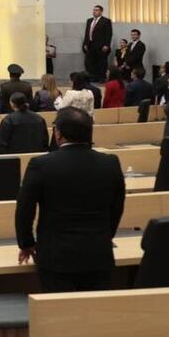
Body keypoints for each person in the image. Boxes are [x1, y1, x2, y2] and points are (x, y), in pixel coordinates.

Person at [15, 107, 125, 292]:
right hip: (98, 253)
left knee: (60, 315)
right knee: (95, 313)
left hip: (55, 255)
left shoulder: (41, 165)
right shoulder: (110, 163)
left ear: (58, 133)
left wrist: (26, 243)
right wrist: (106, 236)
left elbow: (25, 209)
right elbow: (117, 207)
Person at [82, 5, 113, 81]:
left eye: (96, 10)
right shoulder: (89, 20)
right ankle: (92, 77)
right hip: (90, 45)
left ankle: (102, 77)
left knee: (101, 62)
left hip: (101, 45)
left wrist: (107, 45)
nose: (94, 12)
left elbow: (109, 34)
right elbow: (87, 33)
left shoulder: (106, 21)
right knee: (90, 62)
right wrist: (85, 43)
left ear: (101, 11)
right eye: (94, 10)